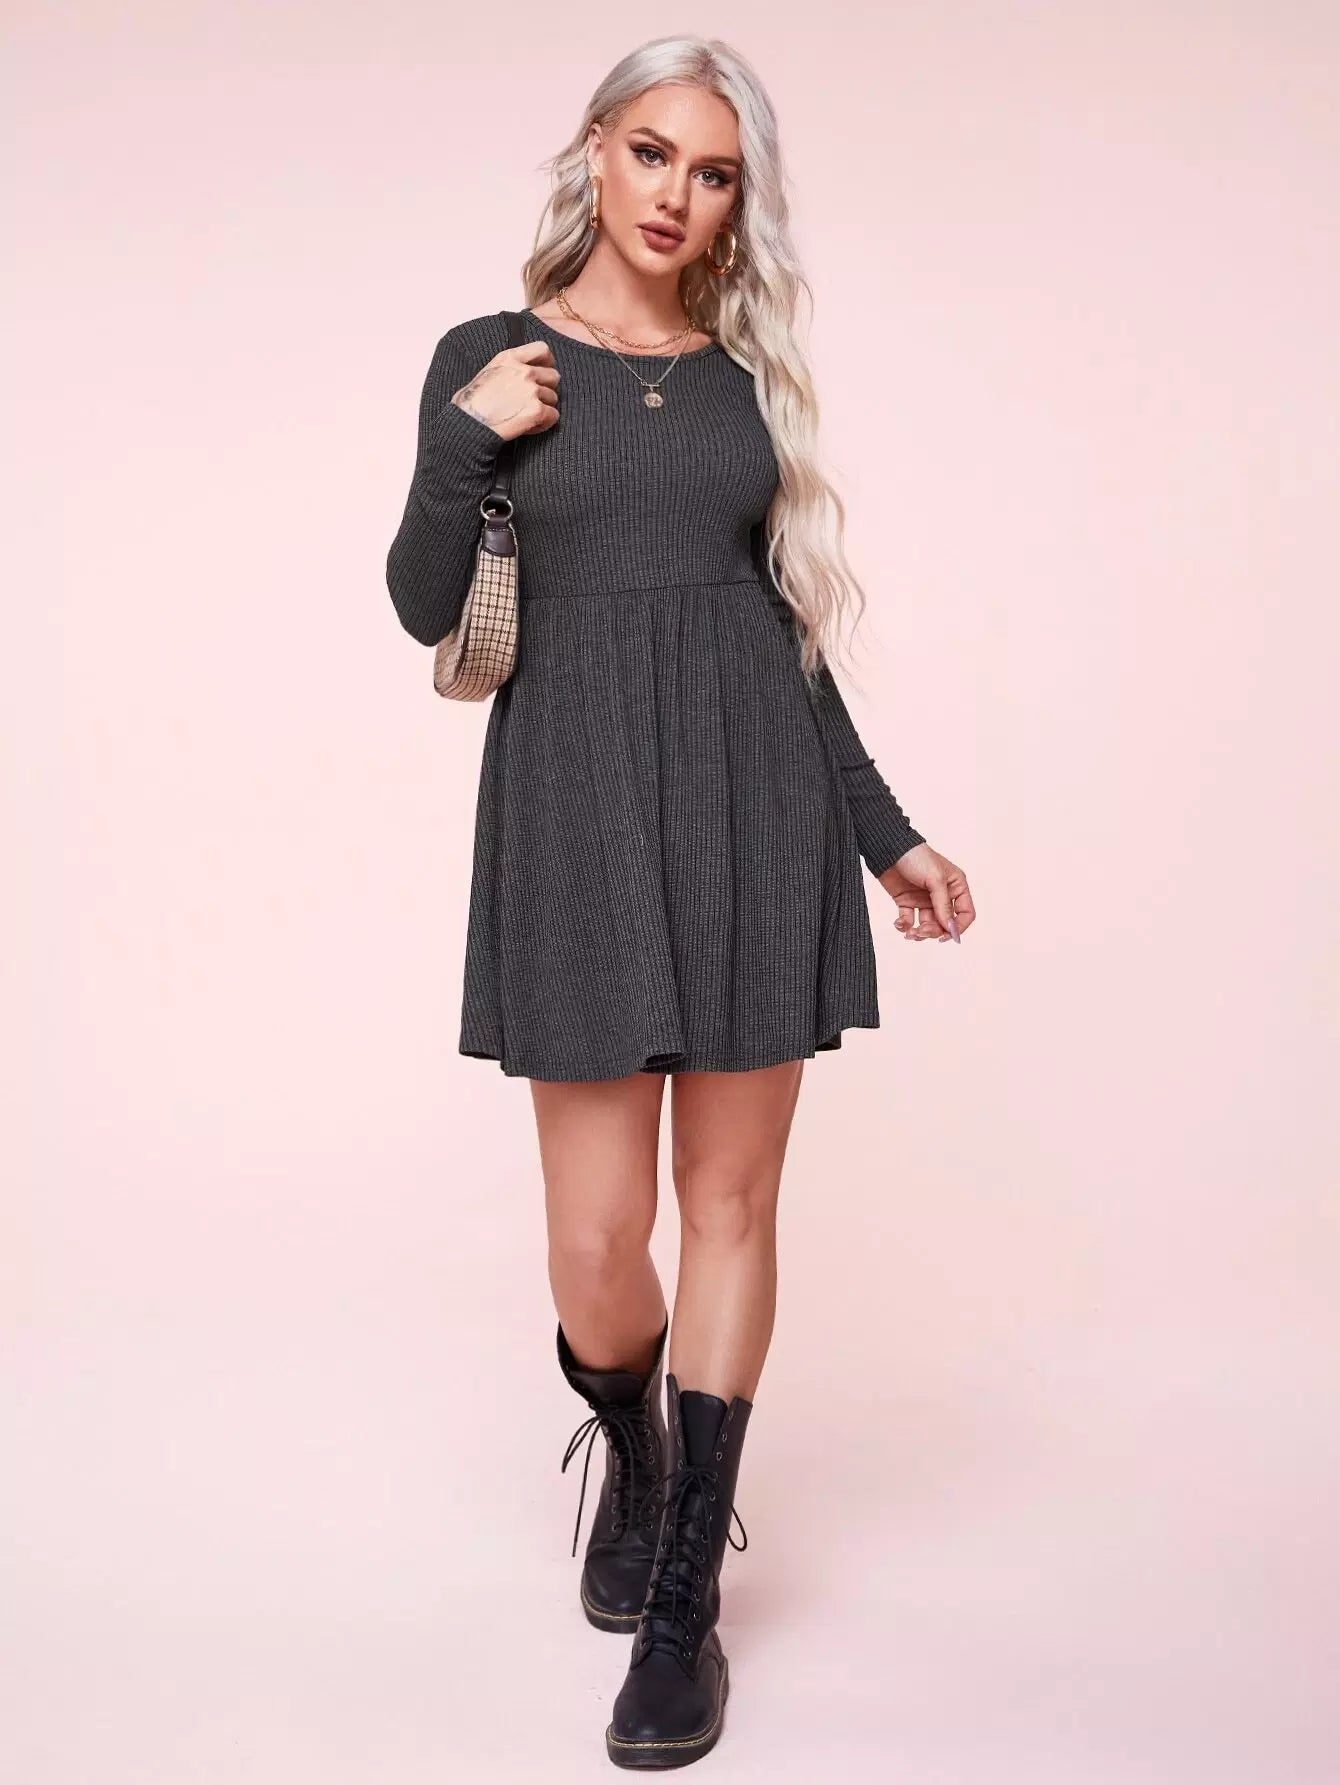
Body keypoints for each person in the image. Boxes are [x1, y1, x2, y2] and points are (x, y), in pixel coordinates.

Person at [385, 34, 975, 1770]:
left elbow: (786, 638)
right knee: (594, 1242)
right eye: (653, 154)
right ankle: (633, 1451)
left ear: (736, 202)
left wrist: (884, 834)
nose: (678, 196)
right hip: (573, 813)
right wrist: (468, 442)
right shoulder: (489, 358)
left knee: (729, 1200)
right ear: (595, 150)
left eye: (714, 174)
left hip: (746, 808)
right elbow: (421, 599)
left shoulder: (739, 384)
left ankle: (684, 1602)